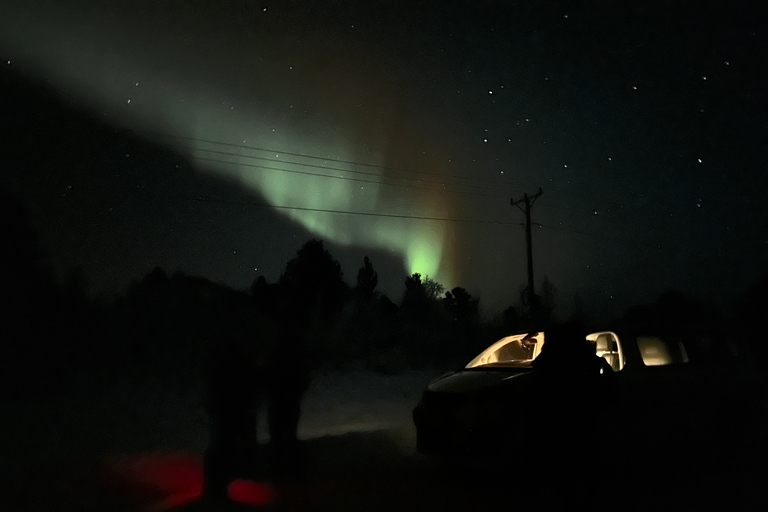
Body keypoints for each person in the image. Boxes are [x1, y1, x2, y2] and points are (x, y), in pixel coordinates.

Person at [202, 333, 262, 501]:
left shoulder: (222, 363)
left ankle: (220, 487)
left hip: (230, 411)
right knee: (228, 447)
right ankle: (223, 486)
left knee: (224, 447)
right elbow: (253, 383)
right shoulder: (239, 363)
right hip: (236, 411)